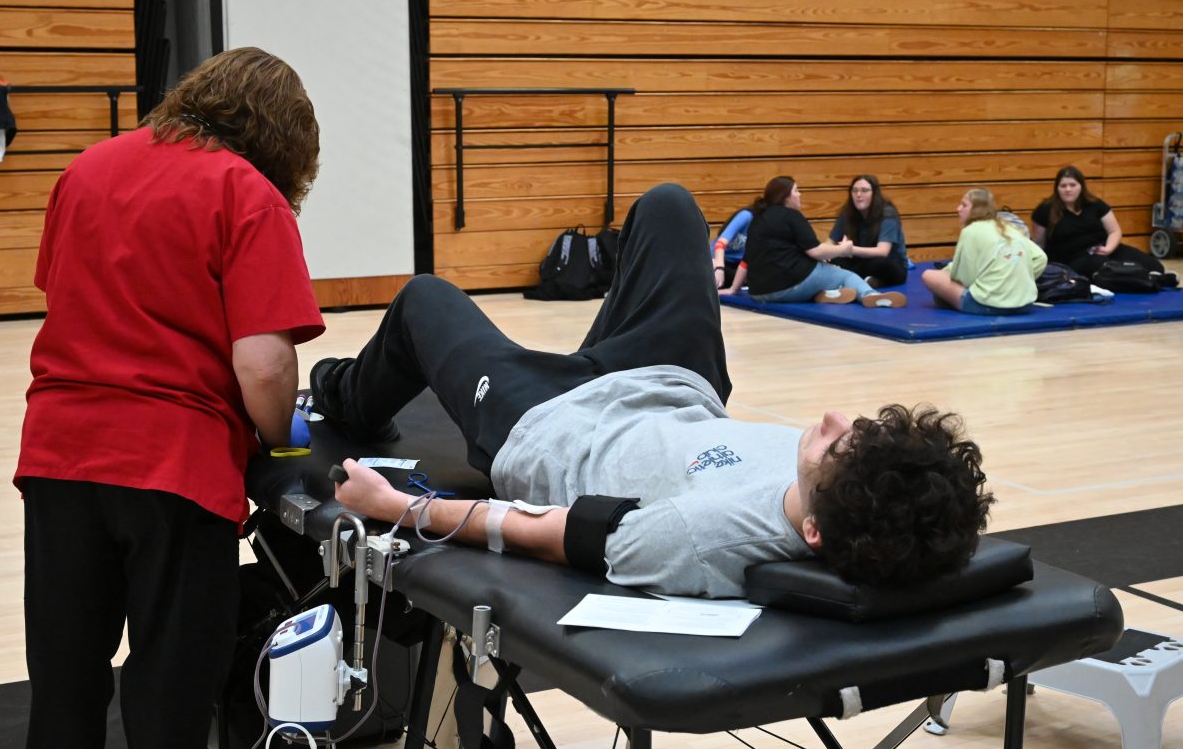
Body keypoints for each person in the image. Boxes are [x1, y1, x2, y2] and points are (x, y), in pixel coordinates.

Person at [316, 183, 993, 599]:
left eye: (837, 445)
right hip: (672, 383)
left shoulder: (702, 538)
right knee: (670, 206)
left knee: (424, 299)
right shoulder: (850, 493)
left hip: (546, 421)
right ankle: (602, 327)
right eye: (858, 428)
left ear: (813, 532)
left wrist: (399, 506)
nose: (831, 417)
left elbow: (541, 530)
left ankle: (344, 395)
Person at [15, 48, 326, 749]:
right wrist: (280, 437)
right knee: (170, 693)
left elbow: (64, 299)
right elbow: (266, 365)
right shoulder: (247, 193)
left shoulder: (85, 169)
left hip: (59, 457)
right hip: (175, 467)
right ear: (282, 141)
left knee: (64, 686)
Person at [719, 176, 907, 308]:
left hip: (759, 292)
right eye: (796, 191)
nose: (800, 194)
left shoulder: (758, 218)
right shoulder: (792, 216)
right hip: (788, 286)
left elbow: (747, 260)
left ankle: (829, 294)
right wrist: (843, 249)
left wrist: (733, 289)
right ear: (786, 197)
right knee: (845, 275)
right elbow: (816, 252)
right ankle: (870, 295)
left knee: (824, 272)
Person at [923, 188, 1047, 315]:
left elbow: (964, 277)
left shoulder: (970, 231)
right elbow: (1041, 258)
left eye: (964, 205)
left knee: (929, 275)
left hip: (988, 305)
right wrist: (1021, 279)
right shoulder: (1010, 227)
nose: (958, 209)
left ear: (977, 209)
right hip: (1024, 305)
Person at [1031, 165, 1163, 278]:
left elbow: (1114, 231)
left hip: (1103, 248)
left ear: (1081, 186)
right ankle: (1143, 279)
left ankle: (1153, 277)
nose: (1068, 189)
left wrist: (1108, 249)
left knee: (1155, 266)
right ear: (1057, 188)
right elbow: (1039, 244)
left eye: (1072, 185)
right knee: (1105, 268)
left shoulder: (1095, 204)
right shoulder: (1045, 209)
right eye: (1063, 186)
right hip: (1073, 259)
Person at [828, 174, 909, 287]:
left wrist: (850, 249)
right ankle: (864, 282)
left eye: (864, 190)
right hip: (860, 262)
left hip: (889, 264)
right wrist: (826, 254)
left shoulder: (887, 213)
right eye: (855, 191)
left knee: (880, 263)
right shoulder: (847, 212)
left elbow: (882, 251)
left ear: (874, 194)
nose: (858, 195)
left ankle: (853, 282)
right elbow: (830, 241)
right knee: (833, 260)